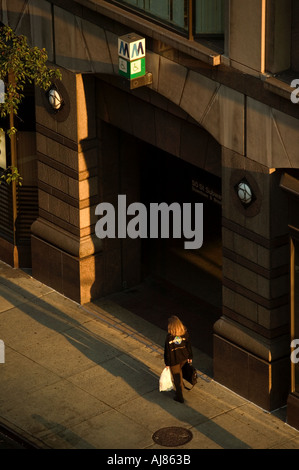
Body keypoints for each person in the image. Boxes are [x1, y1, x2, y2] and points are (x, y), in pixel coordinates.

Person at [164, 315, 193, 403]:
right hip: (183, 357)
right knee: (180, 373)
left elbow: (167, 352)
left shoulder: (169, 337)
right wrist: (190, 357)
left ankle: (179, 396)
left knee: (177, 378)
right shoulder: (185, 333)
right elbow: (188, 346)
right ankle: (181, 386)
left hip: (174, 360)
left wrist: (167, 364)